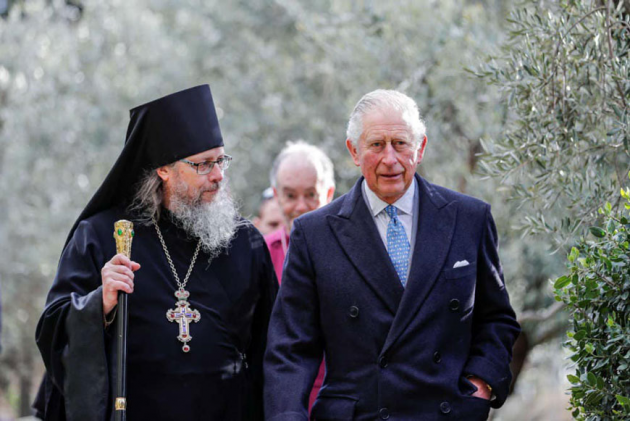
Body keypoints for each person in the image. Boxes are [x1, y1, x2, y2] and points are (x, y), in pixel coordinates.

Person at [264, 90, 520, 420]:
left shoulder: (469, 219)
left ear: (420, 148)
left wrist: (480, 384)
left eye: (400, 143)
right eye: (376, 144)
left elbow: (497, 319)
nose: (389, 158)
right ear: (354, 151)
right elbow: (291, 347)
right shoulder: (314, 234)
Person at [34, 85, 278, 421]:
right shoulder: (104, 236)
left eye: (221, 160)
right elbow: (53, 328)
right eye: (203, 164)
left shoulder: (244, 242)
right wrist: (99, 303)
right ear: (164, 169)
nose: (219, 176)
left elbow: (274, 346)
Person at [264, 140, 335, 411]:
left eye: (311, 195)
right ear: (276, 195)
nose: (301, 206)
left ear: (329, 193)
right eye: (291, 196)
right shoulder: (261, 253)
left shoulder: (351, 251)